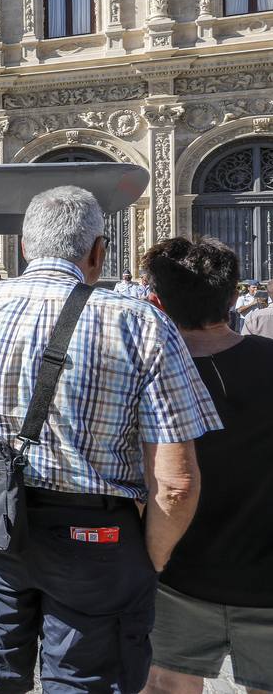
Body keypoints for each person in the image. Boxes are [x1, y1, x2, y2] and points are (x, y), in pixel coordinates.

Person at [0, 186, 220, 694]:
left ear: (25, 247)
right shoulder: (140, 321)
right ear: (98, 251)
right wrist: (150, 558)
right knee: (84, 681)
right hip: (96, 537)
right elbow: (176, 482)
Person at [139, 238, 273, 694]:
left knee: (166, 684)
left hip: (177, 573)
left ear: (155, 303)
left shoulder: (145, 375)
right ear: (235, 295)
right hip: (266, 572)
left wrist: (150, 563)